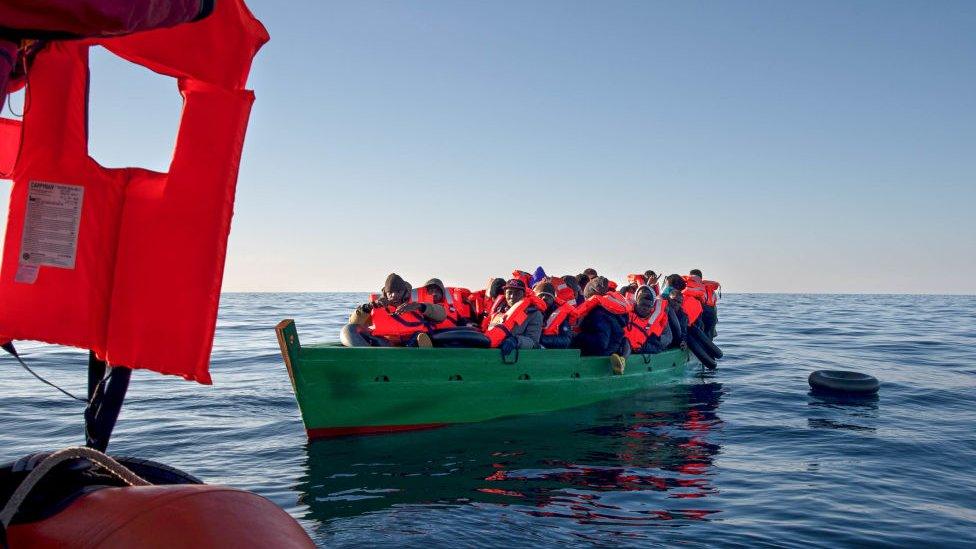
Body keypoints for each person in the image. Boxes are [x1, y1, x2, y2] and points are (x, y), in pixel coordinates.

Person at [348, 273, 445, 347]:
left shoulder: (417, 299)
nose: (394, 296)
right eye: (390, 292)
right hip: (386, 343)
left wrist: (420, 306)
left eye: (398, 292)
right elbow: (353, 323)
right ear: (385, 292)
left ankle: (422, 352)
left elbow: (441, 315)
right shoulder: (376, 304)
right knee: (372, 338)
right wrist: (368, 307)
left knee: (419, 336)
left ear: (405, 292)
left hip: (413, 339)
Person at [572, 276, 629, 374]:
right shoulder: (613, 310)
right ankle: (622, 358)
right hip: (614, 349)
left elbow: (601, 343)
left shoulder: (597, 313)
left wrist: (577, 337)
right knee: (626, 340)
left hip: (600, 354)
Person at [484, 279, 544, 349]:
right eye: (509, 293)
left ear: (524, 294)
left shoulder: (534, 314)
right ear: (505, 294)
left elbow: (534, 342)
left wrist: (516, 341)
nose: (512, 296)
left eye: (517, 293)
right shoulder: (498, 310)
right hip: (490, 350)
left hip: (515, 356)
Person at [622, 285, 671, 354]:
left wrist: (643, 347)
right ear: (636, 302)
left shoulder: (658, 316)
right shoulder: (625, 311)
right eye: (642, 304)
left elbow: (666, 339)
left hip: (647, 344)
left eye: (648, 306)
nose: (645, 308)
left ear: (652, 306)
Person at [534, 281, 575, 349]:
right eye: (541, 295)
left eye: (548, 296)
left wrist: (541, 339)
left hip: (551, 351)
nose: (544, 298)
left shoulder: (561, 314)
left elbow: (566, 340)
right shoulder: (528, 311)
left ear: (553, 299)